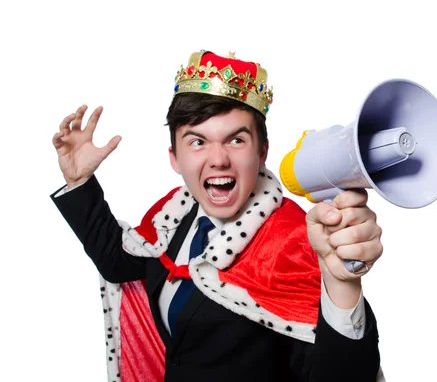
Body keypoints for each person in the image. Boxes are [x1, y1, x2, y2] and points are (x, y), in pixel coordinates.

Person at [51, 50, 385, 382]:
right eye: (198, 142)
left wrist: (342, 285)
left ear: (262, 152)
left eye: (236, 140)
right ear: (175, 158)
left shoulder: (294, 242)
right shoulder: (175, 214)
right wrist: (79, 181)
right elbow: (119, 262)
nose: (218, 160)